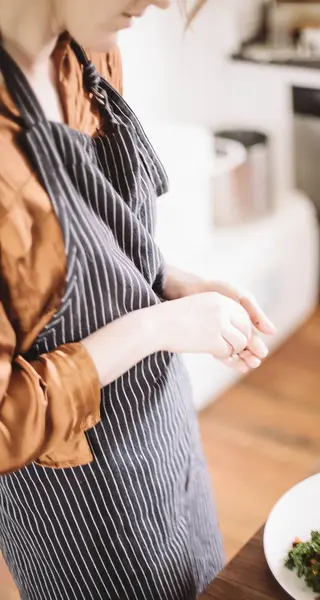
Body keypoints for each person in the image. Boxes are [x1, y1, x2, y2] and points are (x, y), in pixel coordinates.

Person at [0, 1, 275, 599]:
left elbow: (85, 248)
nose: (162, 2)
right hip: (78, 498)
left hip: (164, 426)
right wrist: (159, 327)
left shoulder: (88, 51)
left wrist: (175, 283)